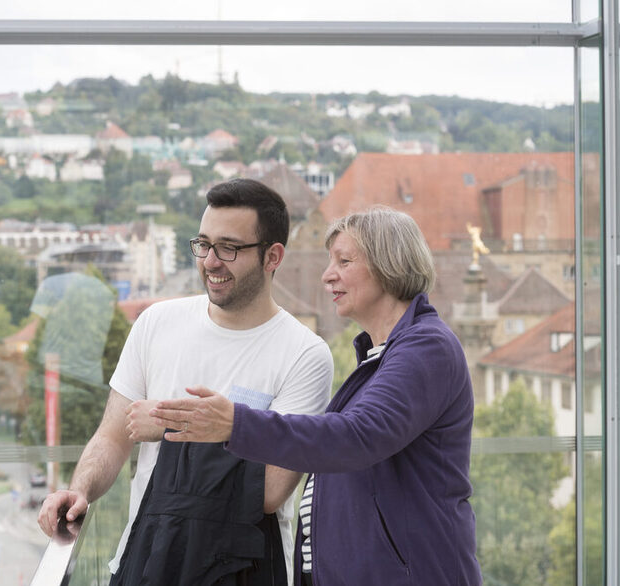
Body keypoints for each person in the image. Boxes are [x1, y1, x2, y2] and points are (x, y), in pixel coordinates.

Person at [151, 206, 482, 585]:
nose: (328, 275)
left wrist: (235, 423)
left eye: (344, 261)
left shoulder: (426, 348)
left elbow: (354, 437)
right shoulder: (382, 356)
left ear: (388, 264)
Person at [38, 178, 334, 584]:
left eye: (229, 248)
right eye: (203, 244)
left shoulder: (304, 355)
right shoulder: (157, 323)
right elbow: (111, 438)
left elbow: (270, 490)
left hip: (244, 570)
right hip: (146, 562)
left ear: (273, 256)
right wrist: (81, 491)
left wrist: (169, 424)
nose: (211, 261)